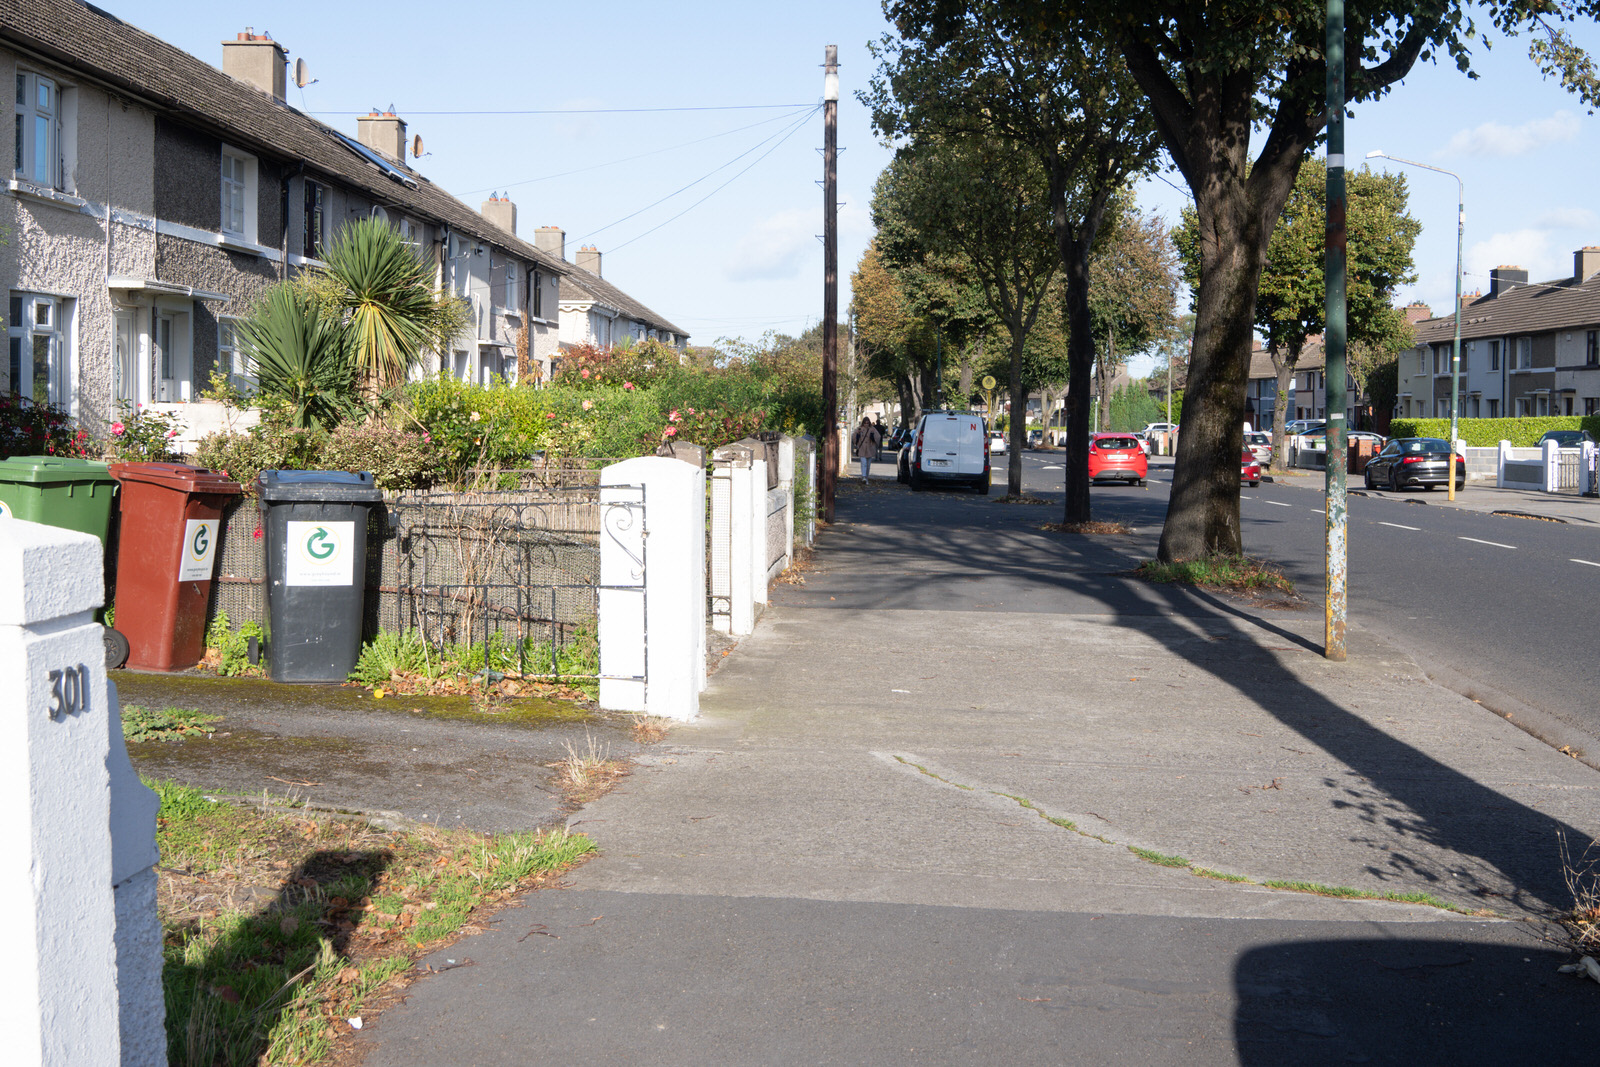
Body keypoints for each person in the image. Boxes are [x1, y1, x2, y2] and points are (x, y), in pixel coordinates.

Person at [851, 416, 882, 483]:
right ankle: (864, 476)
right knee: (863, 463)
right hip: (862, 448)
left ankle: (866, 477)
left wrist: (874, 440)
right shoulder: (859, 429)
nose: (866, 424)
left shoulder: (872, 429)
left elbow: (878, 436)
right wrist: (856, 443)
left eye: (867, 423)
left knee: (868, 465)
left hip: (869, 448)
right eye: (865, 423)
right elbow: (854, 436)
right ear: (863, 423)